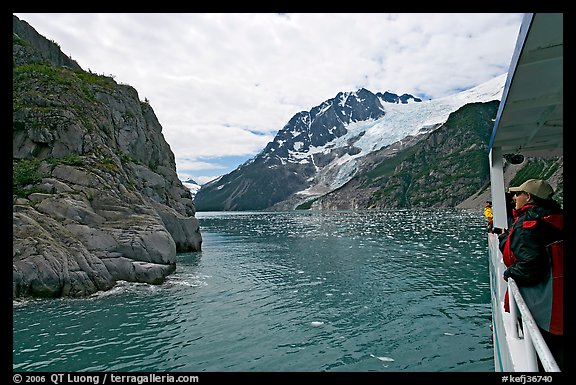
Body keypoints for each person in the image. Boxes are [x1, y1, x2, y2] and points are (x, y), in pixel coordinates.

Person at [498, 178, 563, 371]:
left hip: (545, 304)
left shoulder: (528, 224)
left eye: (518, 194)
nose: (514, 197)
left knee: (544, 354)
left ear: (529, 197)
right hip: (558, 293)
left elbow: (531, 266)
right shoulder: (555, 217)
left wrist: (510, 272)